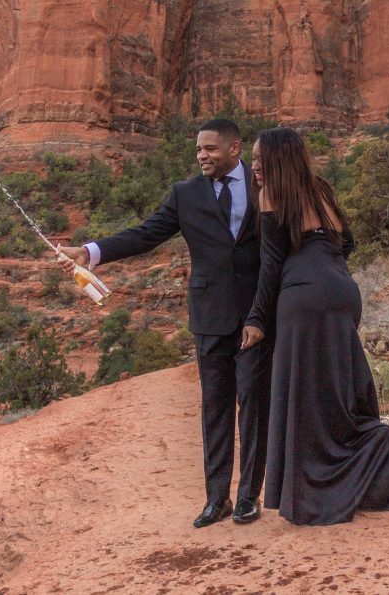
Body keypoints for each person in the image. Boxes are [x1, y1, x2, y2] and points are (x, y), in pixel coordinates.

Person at [58, 118, 273, 528]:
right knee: (215, 408)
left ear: (235, 149)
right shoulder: (185, 194)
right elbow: (146, 234)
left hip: (256, 315)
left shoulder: (264, 183)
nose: (202, 156)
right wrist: (90, 252)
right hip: (209, 316)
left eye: (210, 149)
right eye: (198, 150)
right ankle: (217, 499)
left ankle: (248, 496)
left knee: (254, 405)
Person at [240, 127, 389, 526]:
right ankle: (367, 461)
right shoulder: (321, 190)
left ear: (277, 160)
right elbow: (347, 244)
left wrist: (257, 318)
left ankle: (317, 493)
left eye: (259, 160)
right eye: (253, 159)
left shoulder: (271, 195)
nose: (253, 167)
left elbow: (270, 267)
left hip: (303, 299)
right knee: (336, 390)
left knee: (305, 396)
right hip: (342, 293)